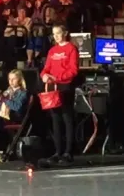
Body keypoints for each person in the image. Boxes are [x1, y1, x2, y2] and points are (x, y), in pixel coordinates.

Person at [40, 24, 79, 166]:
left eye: (58, 33)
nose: (56, 36)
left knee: (67, 118)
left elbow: (73, 70)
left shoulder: (71, 49)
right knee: (55, 119)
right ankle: (58, 151)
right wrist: (44, 76)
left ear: (65, 33)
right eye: (54, 33)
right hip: (53, 87)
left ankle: (68, 152)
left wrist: (58, 77)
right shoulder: (52, 50)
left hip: (65, 86)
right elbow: (46, 69)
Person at [0, 70, 28, 148]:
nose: (11, 81)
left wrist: (4, 99)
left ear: (19, 79)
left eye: (14, 79)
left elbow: (17, 107)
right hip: (5, 116)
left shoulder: (23, 92)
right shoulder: (7, 91)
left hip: (15, 116)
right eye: (9, 79)